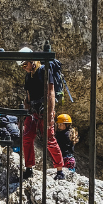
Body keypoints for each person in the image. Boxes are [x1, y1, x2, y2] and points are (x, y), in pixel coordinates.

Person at [19, 48, 63, 180]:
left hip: (45, 109)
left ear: (31, 61)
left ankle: (60, 170)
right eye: (22, 66)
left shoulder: (44, 70)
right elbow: (28, 97)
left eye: (25, 64)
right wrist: (24, 115)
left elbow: (51, 92)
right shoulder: (28, 76)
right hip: (33, 111)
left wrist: (50, 114)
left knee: (49, 140)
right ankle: (29, 167)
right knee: (27, 138)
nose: (24, 68)